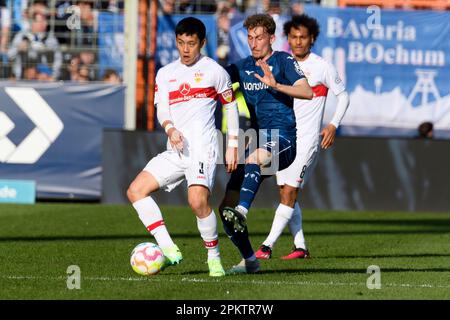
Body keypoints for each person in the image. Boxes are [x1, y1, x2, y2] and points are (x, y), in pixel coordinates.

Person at [126, 17, 239, 277]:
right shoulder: (166, 73)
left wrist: (232, 145)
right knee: (135, 191)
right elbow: (162, 108)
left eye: (191, 43)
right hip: (176, 147)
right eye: (181, 43)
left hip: (203, 148)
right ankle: (168, 249)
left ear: (202, 43)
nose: (185, 49)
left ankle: (214, 258)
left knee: (197, 201)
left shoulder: (214, 71)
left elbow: (230, 106)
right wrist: (170, 128)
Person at [219, 13, 313, 274]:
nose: (254, 43)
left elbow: (307, 92)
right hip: (258, 141)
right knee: (225, 208)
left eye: (259, 37)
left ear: (271, 38)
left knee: (254, 159)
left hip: (283, 139)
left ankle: (243, 210)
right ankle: (250, 260)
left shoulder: (284, 61)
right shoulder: (241, 66)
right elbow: (216, 82)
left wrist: (276, 84)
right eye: (249, 37)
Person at [254, 14, 350, 260]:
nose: (298, 42)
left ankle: (266, 247)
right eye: (293, 37)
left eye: (303, 37)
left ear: (312, 39)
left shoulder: (322, 67)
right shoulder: (279, 64)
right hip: (282, 137)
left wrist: (333, 125)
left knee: (289, 193)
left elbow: (344, 96)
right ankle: (301, 247)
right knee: (284, 192)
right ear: (287, 39)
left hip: (306, 140)